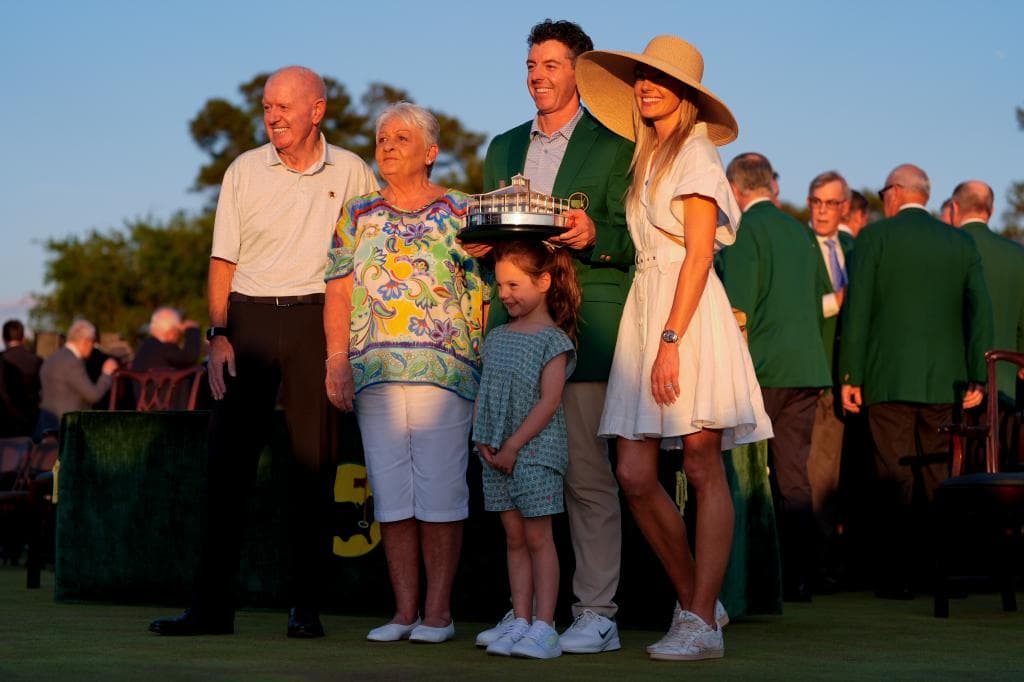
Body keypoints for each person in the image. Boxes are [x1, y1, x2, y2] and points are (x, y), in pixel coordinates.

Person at [149, 66, 378, 639]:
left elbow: (366, 262)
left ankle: (305, 608)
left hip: (315, 321)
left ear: (316, 111)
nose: (272, 116)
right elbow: (222, 260)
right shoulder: (243, 170)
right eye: (266, 107)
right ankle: (209, 609)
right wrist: (218, 334)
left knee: (313, 469)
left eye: (283, 106)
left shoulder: (351, 171)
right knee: (226, 469)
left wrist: (341, 349)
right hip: (246, 322)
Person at [576, 35, 773, 660]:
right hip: (645, 309)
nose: (646, 85)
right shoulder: (648, 154)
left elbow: (696, 255)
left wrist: (669, 341)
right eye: (641, 77)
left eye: (660, 78)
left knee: (699, 463)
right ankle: (699, 604)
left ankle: (697, 621)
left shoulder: (695, 154)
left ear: (687, 94)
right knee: (633, 474)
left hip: (686, 317)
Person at [469, 19, 633, 654]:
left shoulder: (616, 142)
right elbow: (495, 238)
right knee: (515, 477)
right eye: (531, 65)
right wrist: (484, 248)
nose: (538, 75)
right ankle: (524, 613)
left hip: (585, 328)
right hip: (513, 337)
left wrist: (597, 237)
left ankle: (596, 612)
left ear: (579, 72)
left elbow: (632, 235)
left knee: (587, 477)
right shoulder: (503, 145)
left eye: (552, 64)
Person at [324, 102, 488, 644]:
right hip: (373, 371)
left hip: (447, 373)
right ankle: (403, 612)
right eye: (382, 137)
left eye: (400, 137)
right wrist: (336, 361)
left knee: (440, 494)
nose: (387, 145)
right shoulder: (356, 213)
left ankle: (438, 615)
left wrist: (485, 361)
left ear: (431, 152)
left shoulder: (464, 210)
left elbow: (488, 292)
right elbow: (339, 291)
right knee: (392, 495)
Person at [840, 164, 992, 599]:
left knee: (893, 478)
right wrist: (977, 375)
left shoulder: (874, 237)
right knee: (938, 478)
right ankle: (937, 571)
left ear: (895, 193)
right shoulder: (960, 241)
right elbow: (979, 311)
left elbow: (859, 310)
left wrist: (851, 374)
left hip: (887, 378)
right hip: (947, 382)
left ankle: (896, 575)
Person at [717, 154, 831, 602]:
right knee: (793, 474)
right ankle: (804, 575)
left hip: (763, 368)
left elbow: (738, 308)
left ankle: (753, 577)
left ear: (736, 188)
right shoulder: (802, 233)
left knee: (748, 477)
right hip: (807, 368)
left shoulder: (747, 230)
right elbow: (822, 299)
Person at [473, 241, 579, 660]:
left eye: (514, 284)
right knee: (514, 538)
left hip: (535, 452)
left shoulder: (554, 340)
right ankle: (519, 619)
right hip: (496, 454)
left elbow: (549, 401)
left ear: (544, 282)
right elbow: (485, 391)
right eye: (500, 286)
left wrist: (515, 444)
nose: (505, 294)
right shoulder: (496, 336)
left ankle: (544, 626)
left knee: (538, 538)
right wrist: (483, 438)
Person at [804, 170, 855, 591]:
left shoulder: (857, 247)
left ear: (845, 208)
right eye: (816, 201)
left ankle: (846, 559)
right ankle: (817, 564)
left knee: (848, 472)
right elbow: (793, 305)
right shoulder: (798, 244)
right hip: (815, 374)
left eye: (830, 203)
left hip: (854, 376)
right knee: (817, 473)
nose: (821, 210)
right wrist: (834, 302)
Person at [950, 180, 1024, 405]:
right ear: (991, 211)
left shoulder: (948, 248)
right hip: (1005, 382)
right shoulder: (1018, 255)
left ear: (954, 207)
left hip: (954, 384)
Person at [36, 319, 118, 438]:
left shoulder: (51, 358)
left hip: (46, 427)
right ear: (86, 341)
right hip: (68, 430)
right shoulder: (73, 362)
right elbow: (93, 395)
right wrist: (106, 374)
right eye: (92, 343)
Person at [1, 319, 42, 437]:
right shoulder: (36, 360)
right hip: (31, 419)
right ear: (23, 338)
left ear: (4, 338)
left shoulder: (3, 360)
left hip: (5, 422)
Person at [132, 307, 201, 372]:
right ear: (172, 332)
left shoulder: (143, 349)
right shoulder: (165, 349)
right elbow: (189, 357)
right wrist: (192, 330)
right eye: (178, 333)